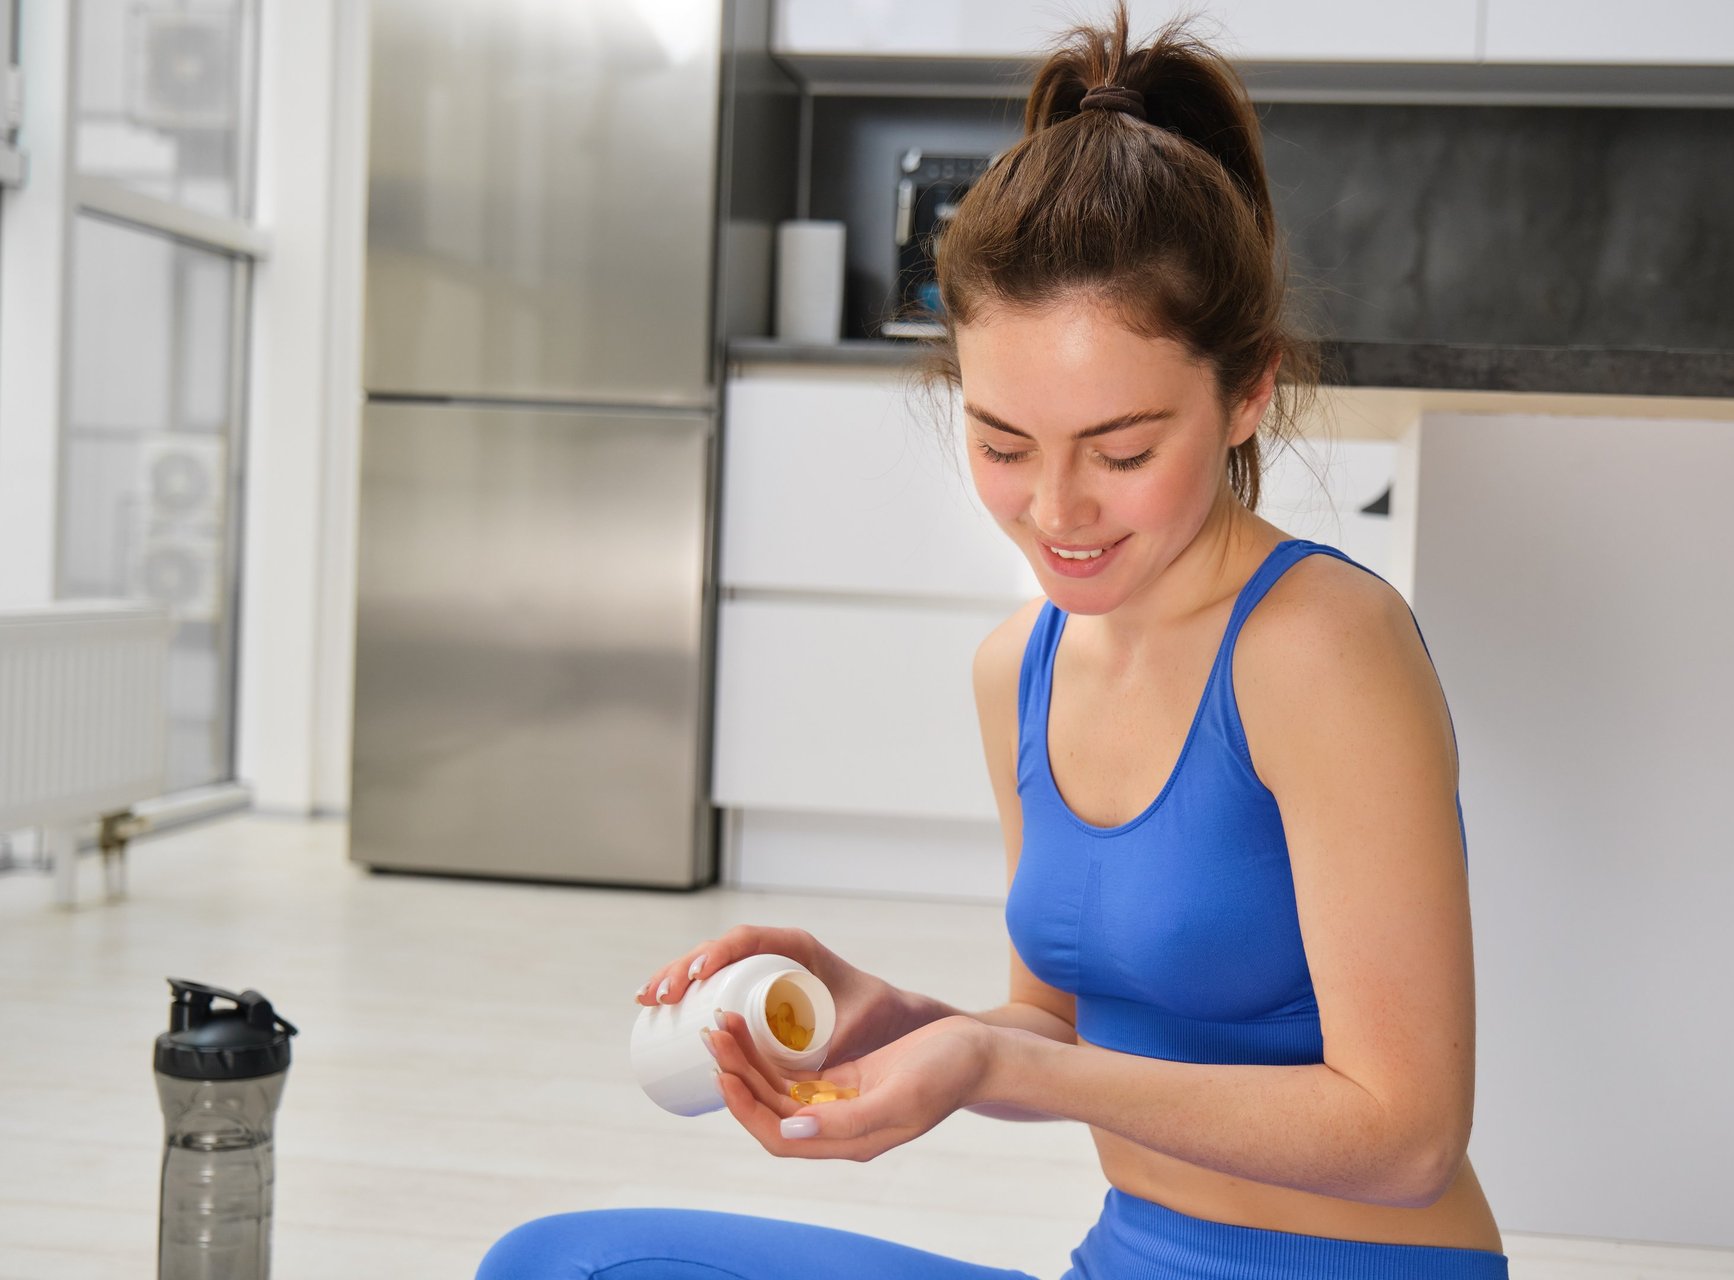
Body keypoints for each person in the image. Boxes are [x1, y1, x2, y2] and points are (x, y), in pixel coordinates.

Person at [477, 6, 1508, 1277]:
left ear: (1246, 391)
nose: (1058, 511)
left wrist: (1005, 1059)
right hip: (1122, 1255)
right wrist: (891, 1018)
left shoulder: (1321, 646)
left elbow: (1406, 1134)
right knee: (560, 1261)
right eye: (1004, 444)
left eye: (1122, 451)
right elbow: (1051, 1023)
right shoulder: (1019, 667)